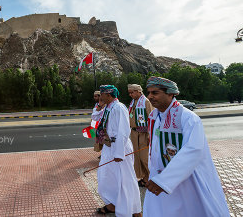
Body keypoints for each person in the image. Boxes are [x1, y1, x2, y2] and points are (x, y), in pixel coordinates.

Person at [143, 76, 229, 217]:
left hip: (186, 181)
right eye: (149, 92)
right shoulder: (155, 116)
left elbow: (193, 151)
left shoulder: (188, 118)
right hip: (159, 177)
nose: (150, 96)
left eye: (155, 93)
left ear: (170, 94)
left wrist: (164, 181)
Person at [92, 85, 141, 217]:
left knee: (125, 180)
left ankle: (135, 210)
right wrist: (100, 106)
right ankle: (113, 203)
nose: (99, 97)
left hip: (119, 148)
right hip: (109, 147)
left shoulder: (119, 108)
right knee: (106, 177)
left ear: (108, 95)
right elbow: (95, 118)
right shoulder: (107, 107)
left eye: (101, 94)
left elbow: (123, 131)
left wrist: (119, 153)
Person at [127, 84, 154, 187]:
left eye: (132, 92)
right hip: (134, 133)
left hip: (143, 134)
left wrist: (149, 135)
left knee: (144, 158)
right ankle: (144, 178)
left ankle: (151, 179)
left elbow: (151, 118)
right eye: (129, 93)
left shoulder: (146, 102)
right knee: (137, 158)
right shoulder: (133, 102)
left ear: (138, 91)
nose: (130, 94)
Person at [92, 91, 103, 155]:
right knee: (100, 141)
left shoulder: (104, 105)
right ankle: (102, 154)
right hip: (98, 125)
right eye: (94, 96)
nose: (94, 98)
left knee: (103, 141)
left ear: (100, 96)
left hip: (103, 126)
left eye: (96, 96)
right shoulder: (97, 104)